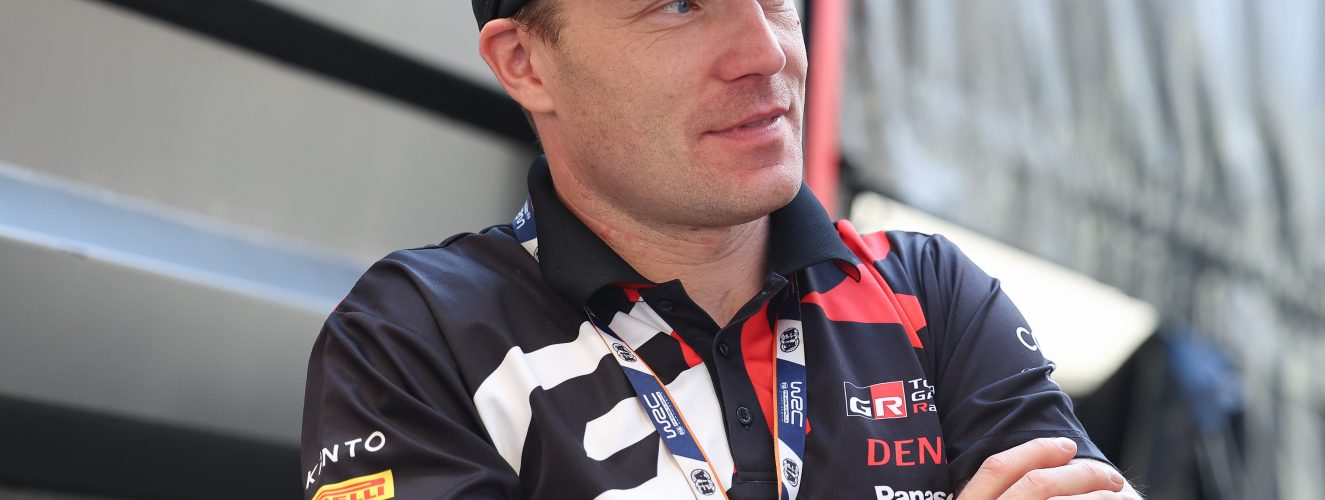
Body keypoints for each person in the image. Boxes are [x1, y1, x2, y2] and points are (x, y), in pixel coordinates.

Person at [299, 0, 1141, 498]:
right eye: (680, 4)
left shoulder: (931, 294)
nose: (766, 52)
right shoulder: (416, 336)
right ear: (526, 62)